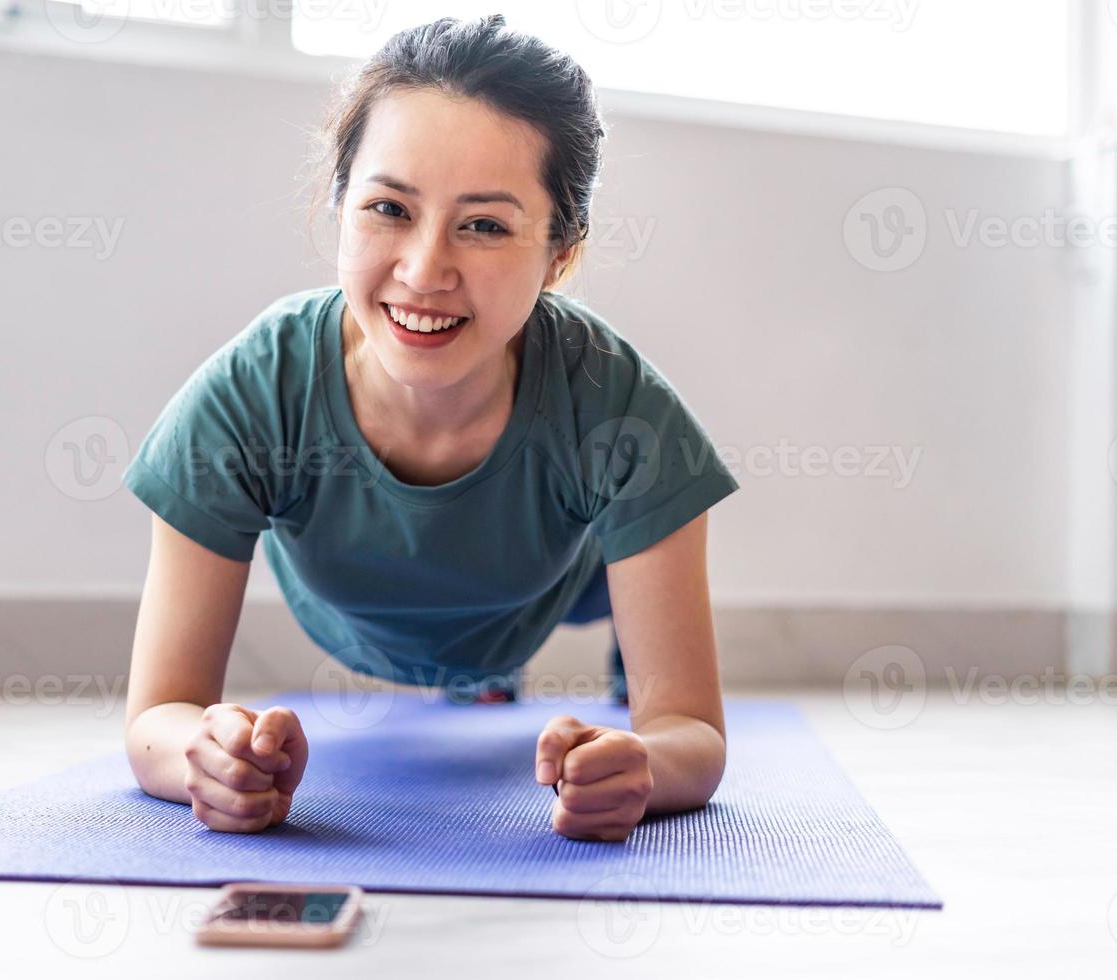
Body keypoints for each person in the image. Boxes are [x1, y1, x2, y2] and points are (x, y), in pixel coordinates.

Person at [121, 15, 739, 843]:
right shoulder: (250, 393)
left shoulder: (616, 406)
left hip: (551, 576)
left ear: (559, 255)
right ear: (339, 207)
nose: (423, 271)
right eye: (387, 208)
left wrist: (642, 760)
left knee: (623, 609)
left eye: (483, 224)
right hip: (360, 607)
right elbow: (156, 717)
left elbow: (693, 737)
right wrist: (204, 753)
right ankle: (478, 684)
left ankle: (532, 672)